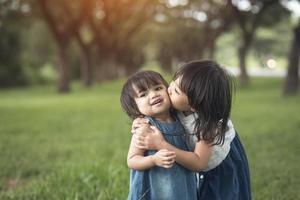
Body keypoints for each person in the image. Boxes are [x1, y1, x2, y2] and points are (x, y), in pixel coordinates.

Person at [132, 60, 251, 200]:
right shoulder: (177, 103)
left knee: (220, 195)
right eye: (173, 81)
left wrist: (161, 145)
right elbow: (156, 111)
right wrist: (140, 119)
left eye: (176, 91)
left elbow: (199, 163)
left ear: (194, 106)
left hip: (220, 165)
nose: (168, 89)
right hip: (198, 158)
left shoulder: (209, 127)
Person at [120, 70, 198, 200]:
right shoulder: (144, 127)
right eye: (143, 94)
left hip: (181, 184)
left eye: (158, 88)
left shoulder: (180, 118)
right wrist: (153, 159)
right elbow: (132, 160)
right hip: (155, 187)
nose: (153, 94)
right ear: (135, 107)